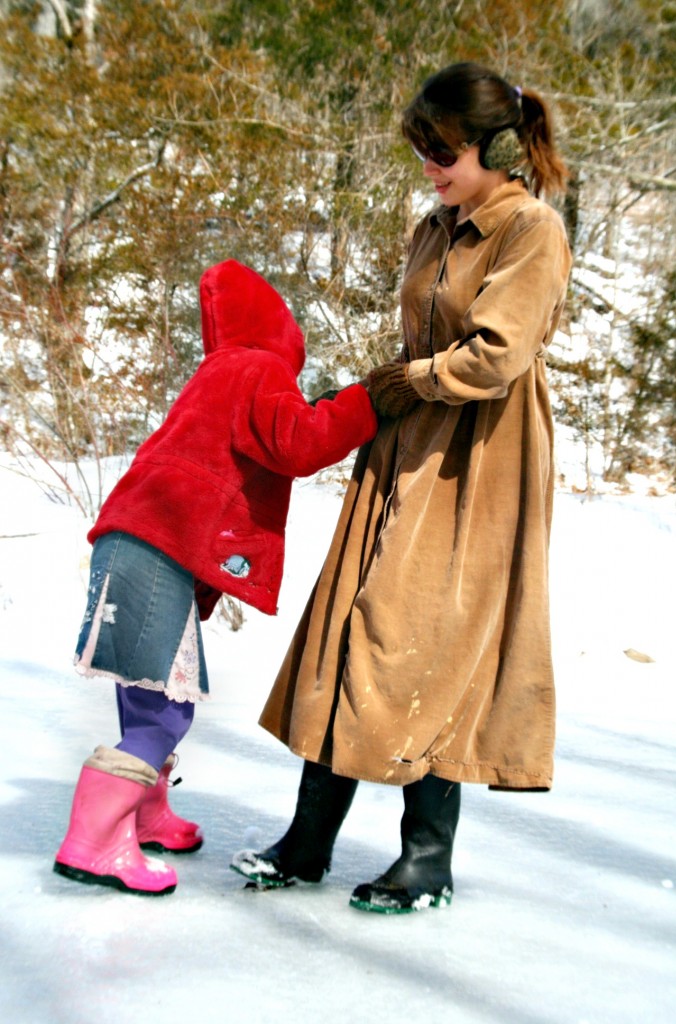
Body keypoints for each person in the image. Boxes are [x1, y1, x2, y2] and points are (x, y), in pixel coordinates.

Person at [231, 62, 573, 914]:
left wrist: (407, 383)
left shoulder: (529, 229)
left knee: (425, 640)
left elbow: (495, 357)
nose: (429, 165)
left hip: (477, 461)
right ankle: (308, 843)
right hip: (405, 447)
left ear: (496, 148)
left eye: (444, 151)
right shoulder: (437, 224)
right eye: (421, 149)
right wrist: (384, 397)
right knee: (351, 624)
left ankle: (426, 859)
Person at [53, 259, 378, 896]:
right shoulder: (257, 367)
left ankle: (145, 816)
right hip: (153, 550)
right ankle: (91, 845)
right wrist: (366, 400)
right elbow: (300, 441)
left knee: (149, 694)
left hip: (131, 543)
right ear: (280, 330)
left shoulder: (219, 371)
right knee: (165, 713)